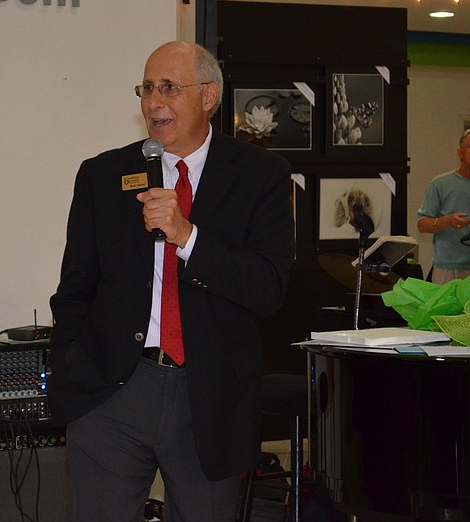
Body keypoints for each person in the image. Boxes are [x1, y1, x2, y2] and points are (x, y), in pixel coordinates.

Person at [48, 41, 295, 522]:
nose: (153, 102)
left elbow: (267, 288)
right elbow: (75, 288)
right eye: (146, 89)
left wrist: (187, 236)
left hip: (208, 396)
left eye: (169, 88)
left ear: (209, 95)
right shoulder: (104, 175)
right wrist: (70, 366)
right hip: (112, 392)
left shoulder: (260, 174)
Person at [416, 129, 470, 284]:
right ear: (460, 152)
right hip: (447, 267)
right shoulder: (439, 184)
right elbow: (422, 225)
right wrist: (447, 221)